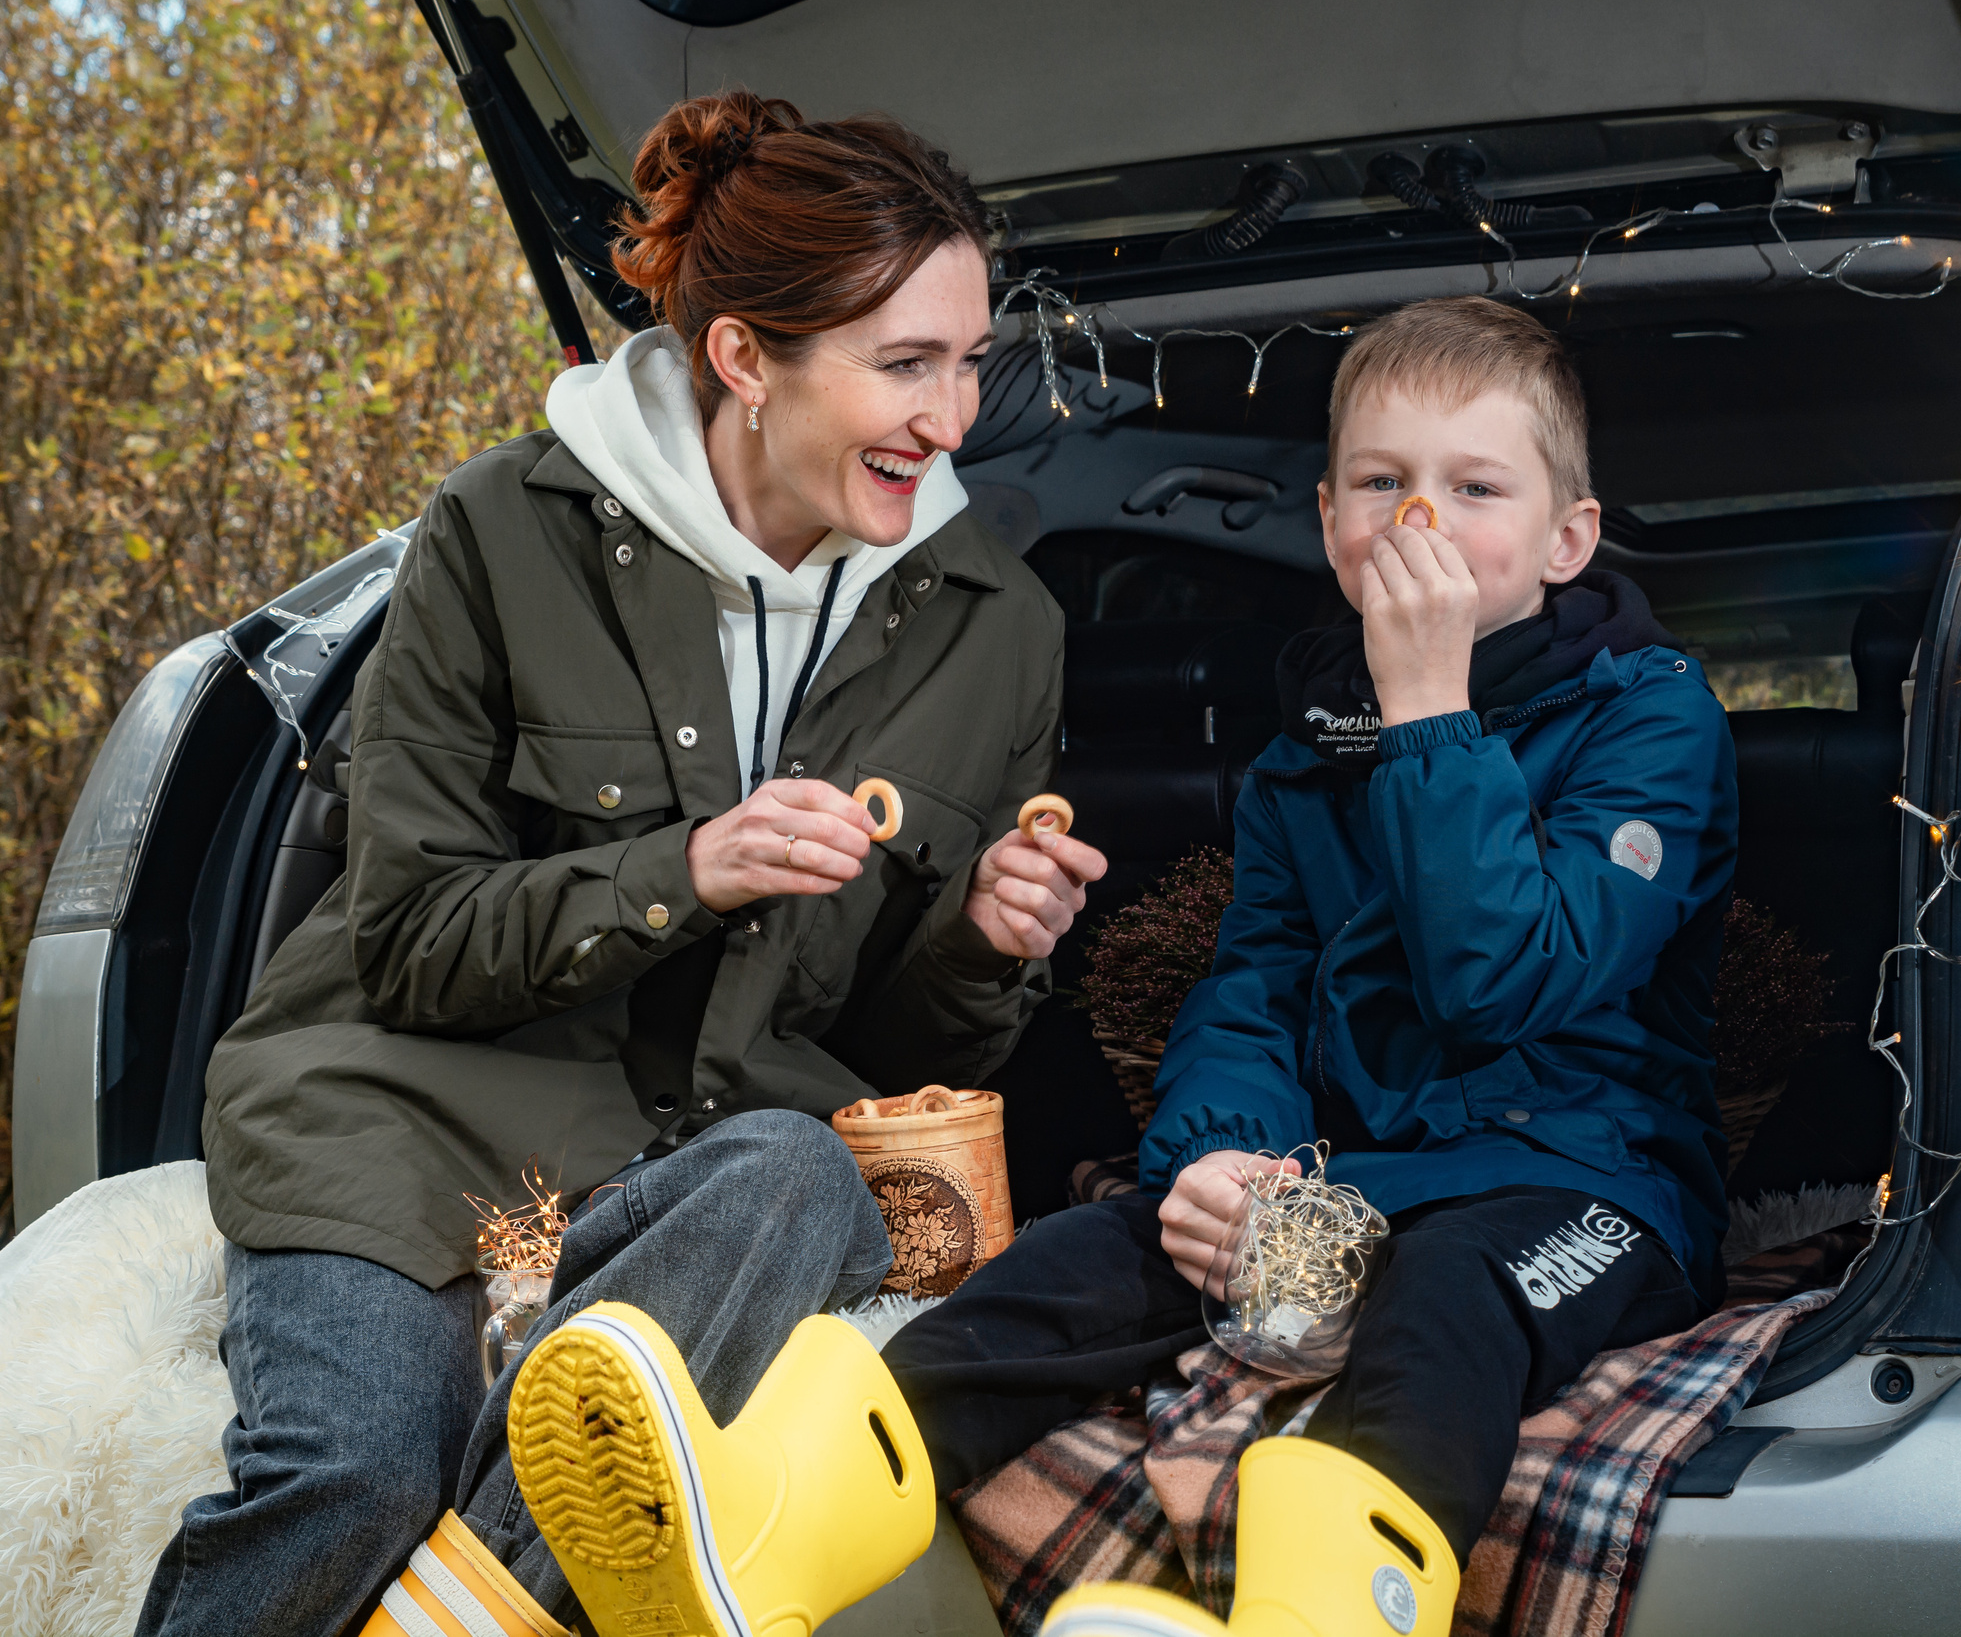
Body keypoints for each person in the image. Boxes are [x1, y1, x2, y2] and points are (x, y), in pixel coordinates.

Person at [137, 90, 1106, 1637]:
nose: (953, 418)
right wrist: (693, 869)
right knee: (357, 1478)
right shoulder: (502, 532)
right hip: (404, 1125)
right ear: (745, 358)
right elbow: (412, 945)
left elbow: (886, 1065)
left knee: (804, 1173)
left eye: (969, 361)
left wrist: (987, 943)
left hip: (702, 1176)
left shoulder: (1004, 628)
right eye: (904, 364)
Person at [876, 294, 1741, 1635]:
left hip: (1588, 1182)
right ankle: (803, 1489)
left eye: (1475, 487)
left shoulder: (1656, 720)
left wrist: (1428, 712)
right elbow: (1258, 989)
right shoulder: (1304, 755)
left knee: (1453, 1299)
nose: (1420, 521)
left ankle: (1328, 1608)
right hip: (1349, 1178)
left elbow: (1503, 982)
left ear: (1569, 540)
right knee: (1087, 1255)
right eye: (1384, 484)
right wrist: (1217, 1157)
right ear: (1330, 515)